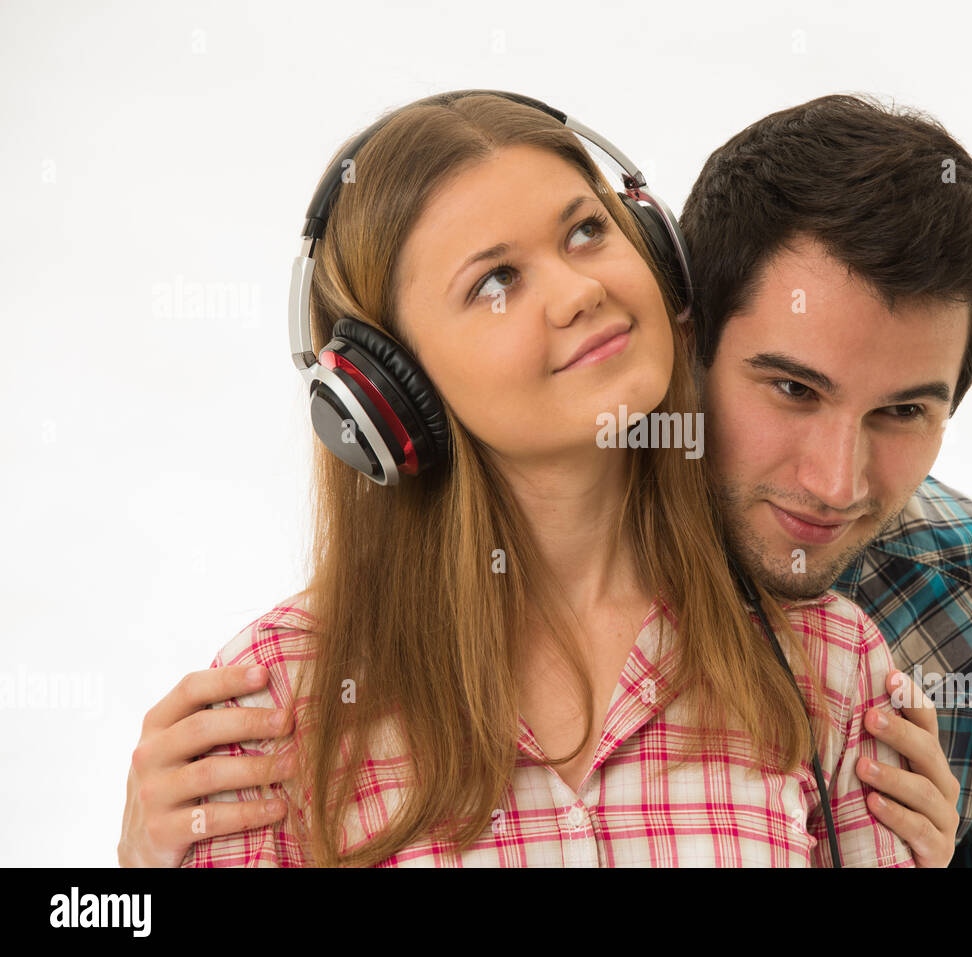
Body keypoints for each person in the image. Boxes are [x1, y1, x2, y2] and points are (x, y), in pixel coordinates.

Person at [145, 91, 919, 867]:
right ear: (389, 389)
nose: (580, 291)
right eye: (495, 281)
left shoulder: (829, 660)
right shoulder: (276, 701)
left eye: (586, 231)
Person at [681, 94, 972, 867]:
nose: (833, 483)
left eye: (902, 410)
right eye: (793, 389)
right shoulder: (515, 547)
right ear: (689, 346)